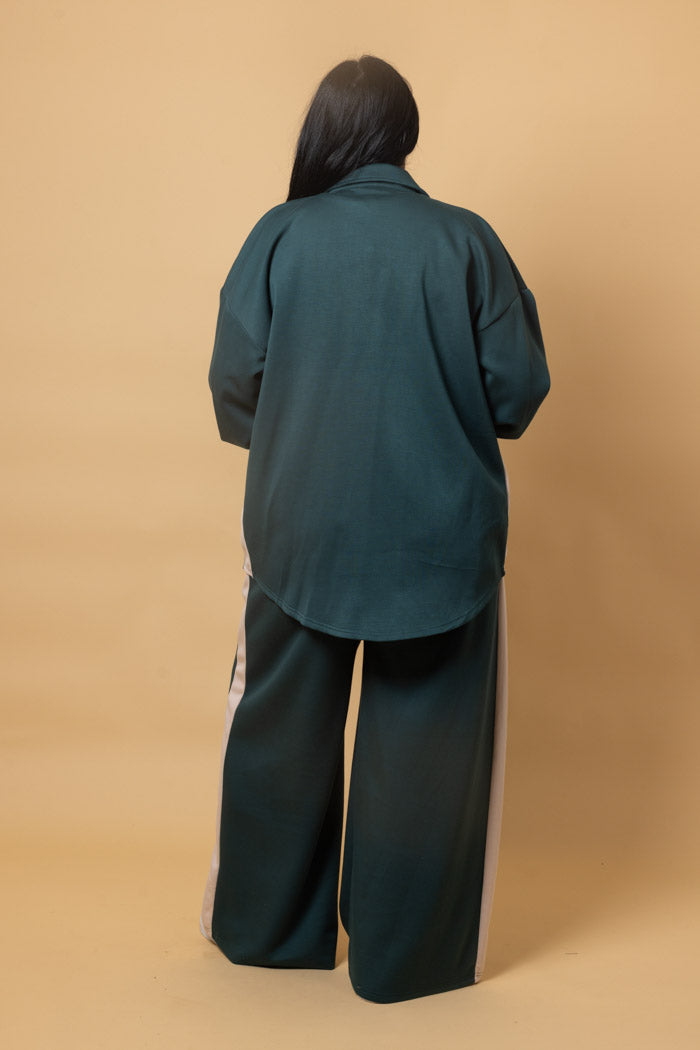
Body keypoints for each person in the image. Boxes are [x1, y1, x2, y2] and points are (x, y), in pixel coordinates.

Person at [199, 54, 550, 1004]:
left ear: (326, 131)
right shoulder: (467, 241)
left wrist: (297, 434)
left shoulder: (279, 234)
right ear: (406, 134)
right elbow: (518, 391)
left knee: (279, 733)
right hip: (442, 538)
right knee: (427, 752)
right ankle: (406, 963)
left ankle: (267, 935)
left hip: (296, 534)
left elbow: (234, 386)